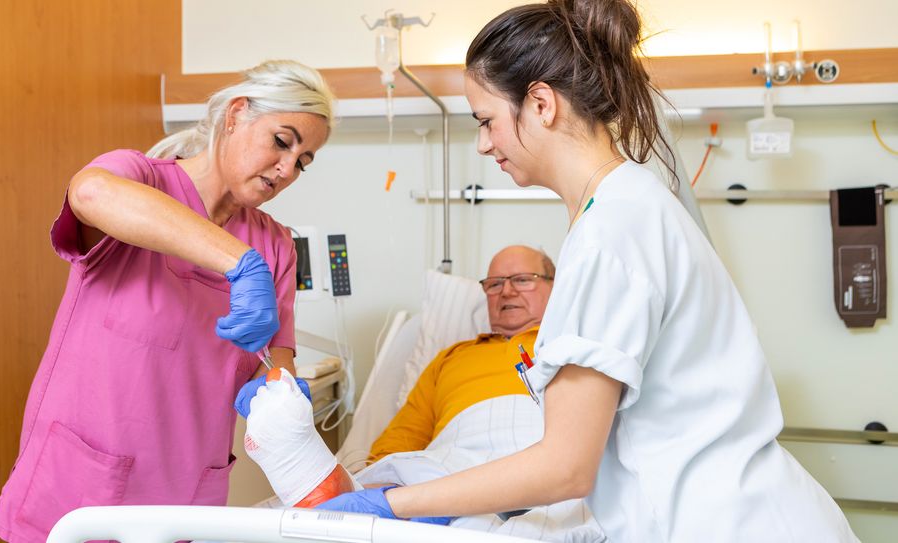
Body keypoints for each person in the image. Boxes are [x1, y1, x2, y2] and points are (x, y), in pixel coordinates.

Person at [316, 2, 858, 541]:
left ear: (541, 103)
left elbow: (565, 467)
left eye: (486, 121)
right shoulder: (623, 208)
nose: (483, 143)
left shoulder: (611, 232)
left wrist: (394, 503)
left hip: (728, 521)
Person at [0, 60, 334, 543]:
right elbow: (89, 192)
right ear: (236, 114)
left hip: (185, 490)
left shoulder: (276, 246)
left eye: (302, 161)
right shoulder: (141, 180)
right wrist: (240, 261)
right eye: (282, 141)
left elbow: (275, 370)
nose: (287, 169)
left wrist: (280, 401)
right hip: (82, 478)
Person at [368, 245, 554, 462]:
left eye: (522, 280)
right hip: (454, 468)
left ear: (555, 287)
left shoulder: (574, 348)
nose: (506, 291)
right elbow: (400, 441)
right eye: (495, 284)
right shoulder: (450, 358)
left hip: (545, 462)